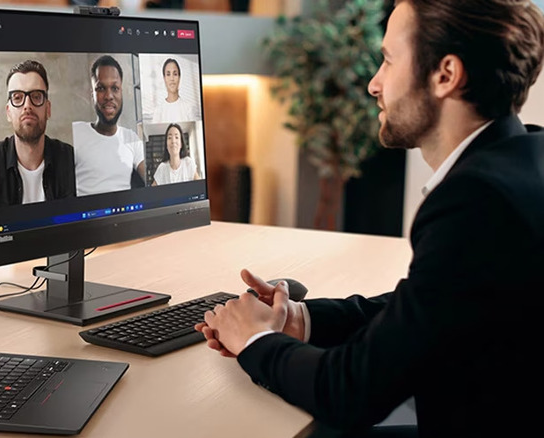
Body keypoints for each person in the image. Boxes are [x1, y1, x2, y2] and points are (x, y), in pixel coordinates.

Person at [196, 1, 544, 437]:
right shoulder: (526, 155)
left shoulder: (477, 200)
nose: (373, 83)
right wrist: (302, 319)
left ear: (446, 75)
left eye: (388, 60)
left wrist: (255, 341)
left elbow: (350, 392)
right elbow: (421, 309)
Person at [0, 60, 76, 206]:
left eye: (36, 96)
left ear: (48, 109)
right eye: (17, 97)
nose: (27, 106)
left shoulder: (71, 160)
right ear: (8, 112)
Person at [72, 55, 147, 196]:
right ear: (92, 95)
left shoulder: (131, 137)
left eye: (115, 88)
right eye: (101, 88)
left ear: (121, 92)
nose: (109, 96)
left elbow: (154, 181)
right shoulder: (76, 132)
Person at [151, 58, 198, 123]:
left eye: (175, 74)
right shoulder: (158, 111)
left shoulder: (188, 108)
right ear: (164, 78)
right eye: (168, 74)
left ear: (179, 77)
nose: (172, 78)